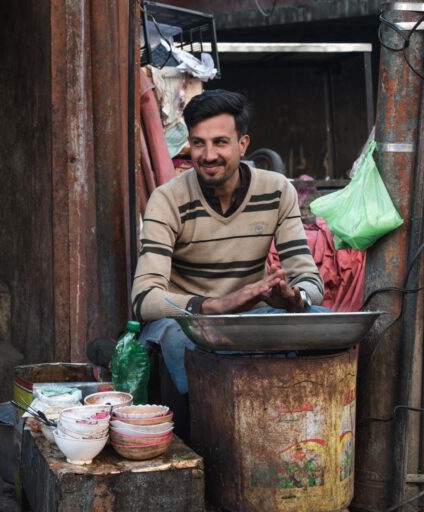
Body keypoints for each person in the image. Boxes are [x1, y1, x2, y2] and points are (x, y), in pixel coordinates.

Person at [132, 89, 326, 397]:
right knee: (171, 335)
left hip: (251, 319)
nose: (208, 155)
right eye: (199, 143)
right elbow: (144, 299)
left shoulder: (277, 191)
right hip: (189, 323)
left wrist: (295, 298)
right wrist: (212, 306)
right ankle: (200, 433)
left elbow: (312, 282)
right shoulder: (167, 200)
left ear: (242, 144)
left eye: (220, 142)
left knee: (324, 323)